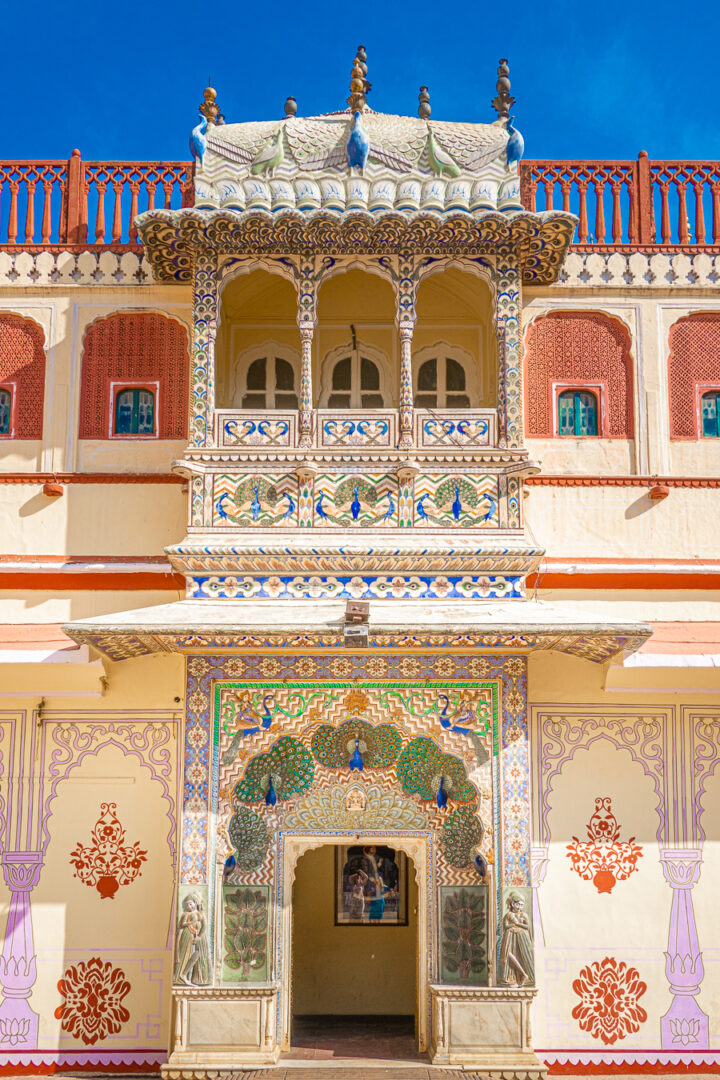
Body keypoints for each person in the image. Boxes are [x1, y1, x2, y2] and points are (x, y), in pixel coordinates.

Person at [174, 893, 211, 986]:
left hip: (200, 938)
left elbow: (204, 926)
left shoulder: (201, 914)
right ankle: (182, 975)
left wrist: (199, 936)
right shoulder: (186, 914)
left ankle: (194, 977)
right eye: (187, 905)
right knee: (185, 954)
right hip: (188, 934)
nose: (188, 906)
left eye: (190, 904)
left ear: (195, 903)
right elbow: (182, 924)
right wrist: (191, 922)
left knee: (198, 955)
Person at [498, 892, 534, 987]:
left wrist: (518, 924)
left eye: (522, 905)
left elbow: (527, 926)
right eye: (518, 904)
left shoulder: (523, 915)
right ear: (513, 904)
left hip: (521, 937)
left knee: (522, 955)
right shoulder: (509, 914)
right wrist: (515, 924)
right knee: (507, 954)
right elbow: (505, 925)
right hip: (510, 936)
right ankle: (518, 975)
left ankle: (524, 975)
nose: (519, 907)